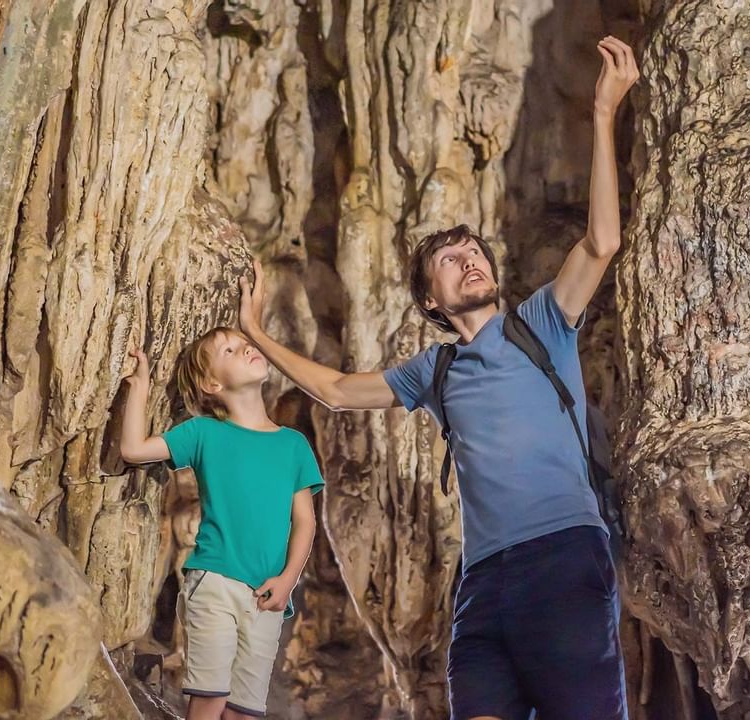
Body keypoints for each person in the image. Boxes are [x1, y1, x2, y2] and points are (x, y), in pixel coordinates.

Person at [237, 35, 639, 719]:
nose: (469, 261)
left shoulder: (542, 322)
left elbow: (601, 242)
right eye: (450, 260)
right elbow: (336, 391)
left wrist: (603, 115)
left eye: (474, 251)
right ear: (431, 301)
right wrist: (253, 334)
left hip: (564, 558)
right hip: (482, 584)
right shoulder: (436, 368)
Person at [120, 328, 323, 720]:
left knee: (244, 712)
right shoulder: (204, 433)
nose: (246, 347)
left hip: (266, 596)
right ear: (212, 383)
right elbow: (133, 450)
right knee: (210, 699)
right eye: (230, 349)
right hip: (214, 582)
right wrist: (141, 387)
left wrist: (287, 581)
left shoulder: (294, 444)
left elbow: (306, 522)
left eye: (245, 343)